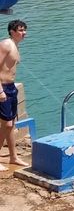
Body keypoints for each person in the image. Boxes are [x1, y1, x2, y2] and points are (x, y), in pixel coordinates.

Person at [0, 20, 26, 169]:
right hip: (3, 88)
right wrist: (0, 91)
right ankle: (12, 156)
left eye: (24, 30)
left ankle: (12, 157)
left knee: (10, 125)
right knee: (7, 124)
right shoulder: (6, 45)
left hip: (11, 87)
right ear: (12, 31)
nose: (24, 33)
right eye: (20, 30)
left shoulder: (15, 46)